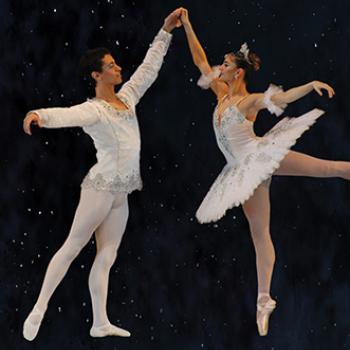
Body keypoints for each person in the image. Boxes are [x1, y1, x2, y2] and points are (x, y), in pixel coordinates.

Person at [180, 8, 349, 336]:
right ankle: (263, 300)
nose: (220, 67)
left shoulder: (248, 101)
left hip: (257, 156)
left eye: (226, 65)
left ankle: (262, 299)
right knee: (259, 235)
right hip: (240, 171)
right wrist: (186, 24)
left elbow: (281, 97)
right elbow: (200, 62)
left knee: (326, 168)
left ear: (238, 73)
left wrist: (310, 84)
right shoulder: (221, 96)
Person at [22, 8, 182, 341]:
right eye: (110, 65)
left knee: (107, 256)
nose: (118, 67)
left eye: (115, 63)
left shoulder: (128, 98)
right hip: (101, 188)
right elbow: (65, 115)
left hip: (122, 192)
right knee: (73, 246)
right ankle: (39, 308)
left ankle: (99, 322)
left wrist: (166, 30)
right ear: (97, 76)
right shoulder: (94, 110)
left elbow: (148, 69)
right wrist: (38, 114)